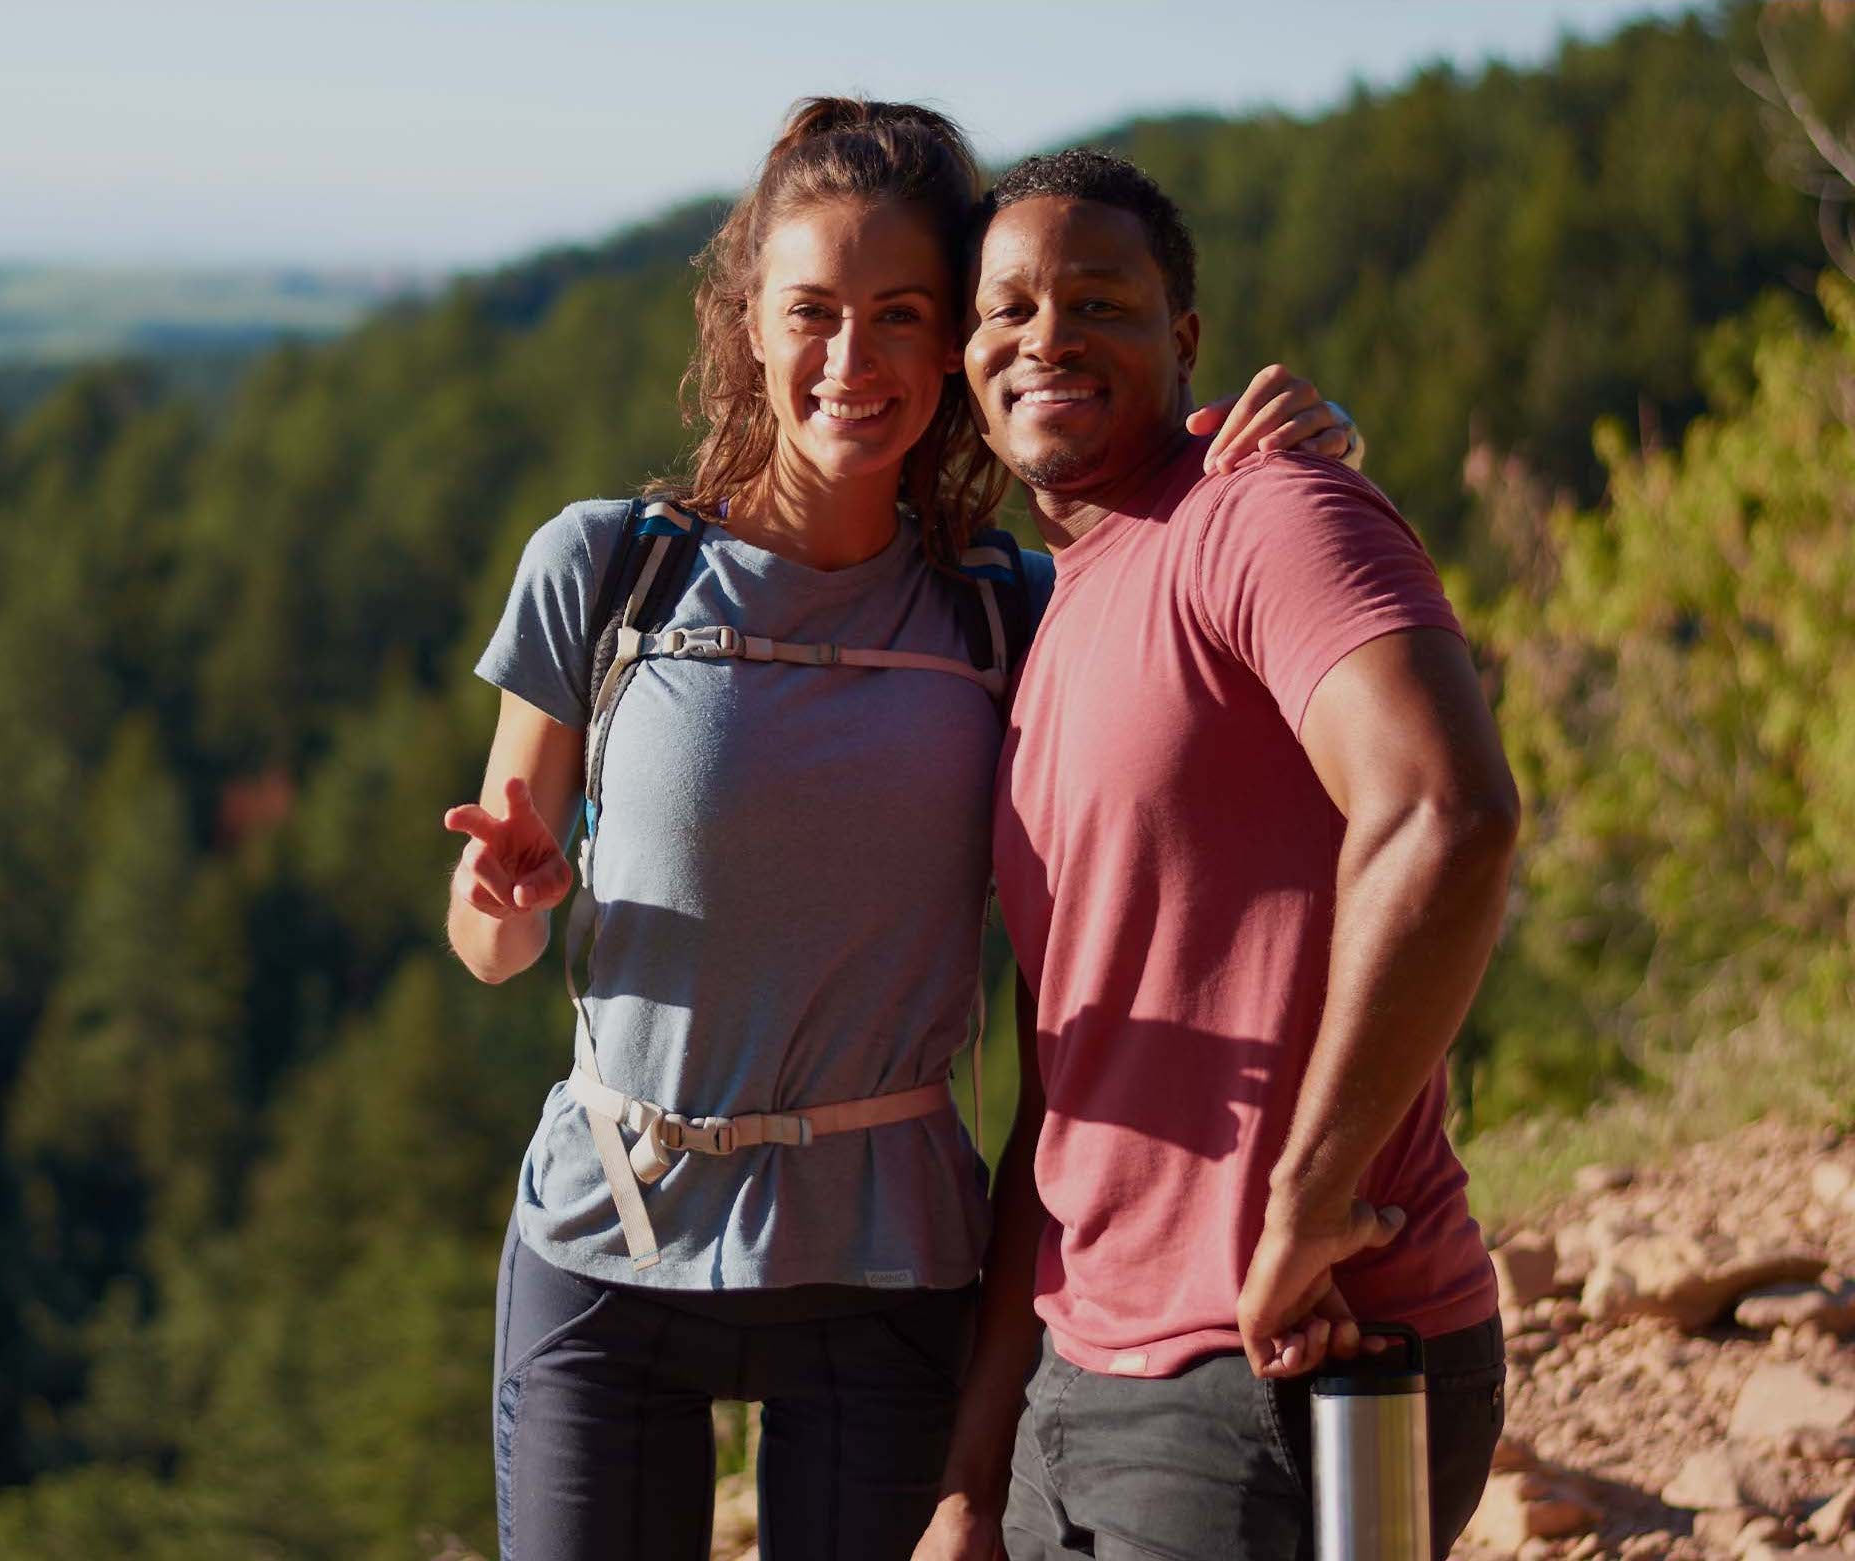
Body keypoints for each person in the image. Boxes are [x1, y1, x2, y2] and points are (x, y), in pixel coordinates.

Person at [445, 101, 1358, 1561]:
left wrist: (1308, 457)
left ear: (953, 347)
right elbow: (492, 944)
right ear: (747, 322)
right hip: (606, 1245)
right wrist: (509, 894)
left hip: (886, 1261)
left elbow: (1203, 609)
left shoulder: (1008, 611)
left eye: (899, 316)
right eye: (811, 312)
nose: (851, 362)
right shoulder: (605, 570)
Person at [919, 151, 1516, 1561]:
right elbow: (1066, 1095)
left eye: (1099, 301)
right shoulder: (1054, 609)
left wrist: (1312, 1188)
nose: (1048, 336)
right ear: (963, 355)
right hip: (1084, 1372)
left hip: (1282, 1353)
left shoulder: (1269, 513)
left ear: (1184, 339)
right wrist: (974, 1469)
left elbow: (1446, 811)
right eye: (1007, 309)